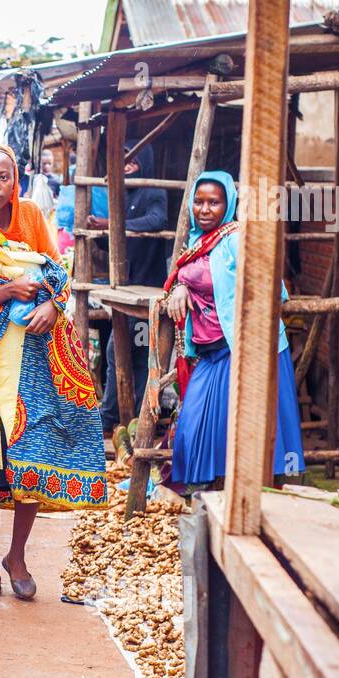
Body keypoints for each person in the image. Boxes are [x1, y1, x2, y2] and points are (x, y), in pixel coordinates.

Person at [0, 144, 107, 601]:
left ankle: (18, 556)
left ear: (18, 180)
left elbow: (58, 274)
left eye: (4, 177)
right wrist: (4, 291)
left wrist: (52, 302)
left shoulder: (31, 218)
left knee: (28, 460)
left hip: (33, 365)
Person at [165, 171, 305, 488]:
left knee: (254, 434)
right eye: (198, 202)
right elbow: (186, 277)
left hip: (246, 350)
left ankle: (255, 507)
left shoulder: (237, 239)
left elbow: (275, 290)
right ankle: (211, 504)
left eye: (214, 202)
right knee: (194, 427)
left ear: (228, 204)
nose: (204, 209)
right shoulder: (197, 243)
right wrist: (181, 289)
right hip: (211, 353)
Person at [86, 142, 169, 433]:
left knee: (138, 354)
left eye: (132, 161)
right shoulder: (122, 196)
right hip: (126, 291)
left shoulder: (153, 191)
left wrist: (112, 222)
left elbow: (157, 220)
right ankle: (118, 415)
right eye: (123, 162)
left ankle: (130, 417)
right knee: (120, 353)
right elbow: (116, 242)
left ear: (143, 163)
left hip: (147, 292)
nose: (127, 165)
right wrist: (100, 232)